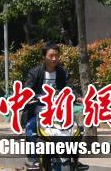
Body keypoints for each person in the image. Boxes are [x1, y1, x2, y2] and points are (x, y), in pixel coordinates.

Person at [21, 42, 87, 171]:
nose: (54, 59)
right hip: (39, 113)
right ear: (44, 57)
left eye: (56, 56)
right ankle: (34, 160)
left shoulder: (62, 72)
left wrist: (78, 97)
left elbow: (69, 88)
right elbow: (27, 89)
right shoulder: (35, 72)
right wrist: (28, 97)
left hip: (59, 114)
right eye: (51, 55)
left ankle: (75, 160)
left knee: (77, 130)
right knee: (30, 128)